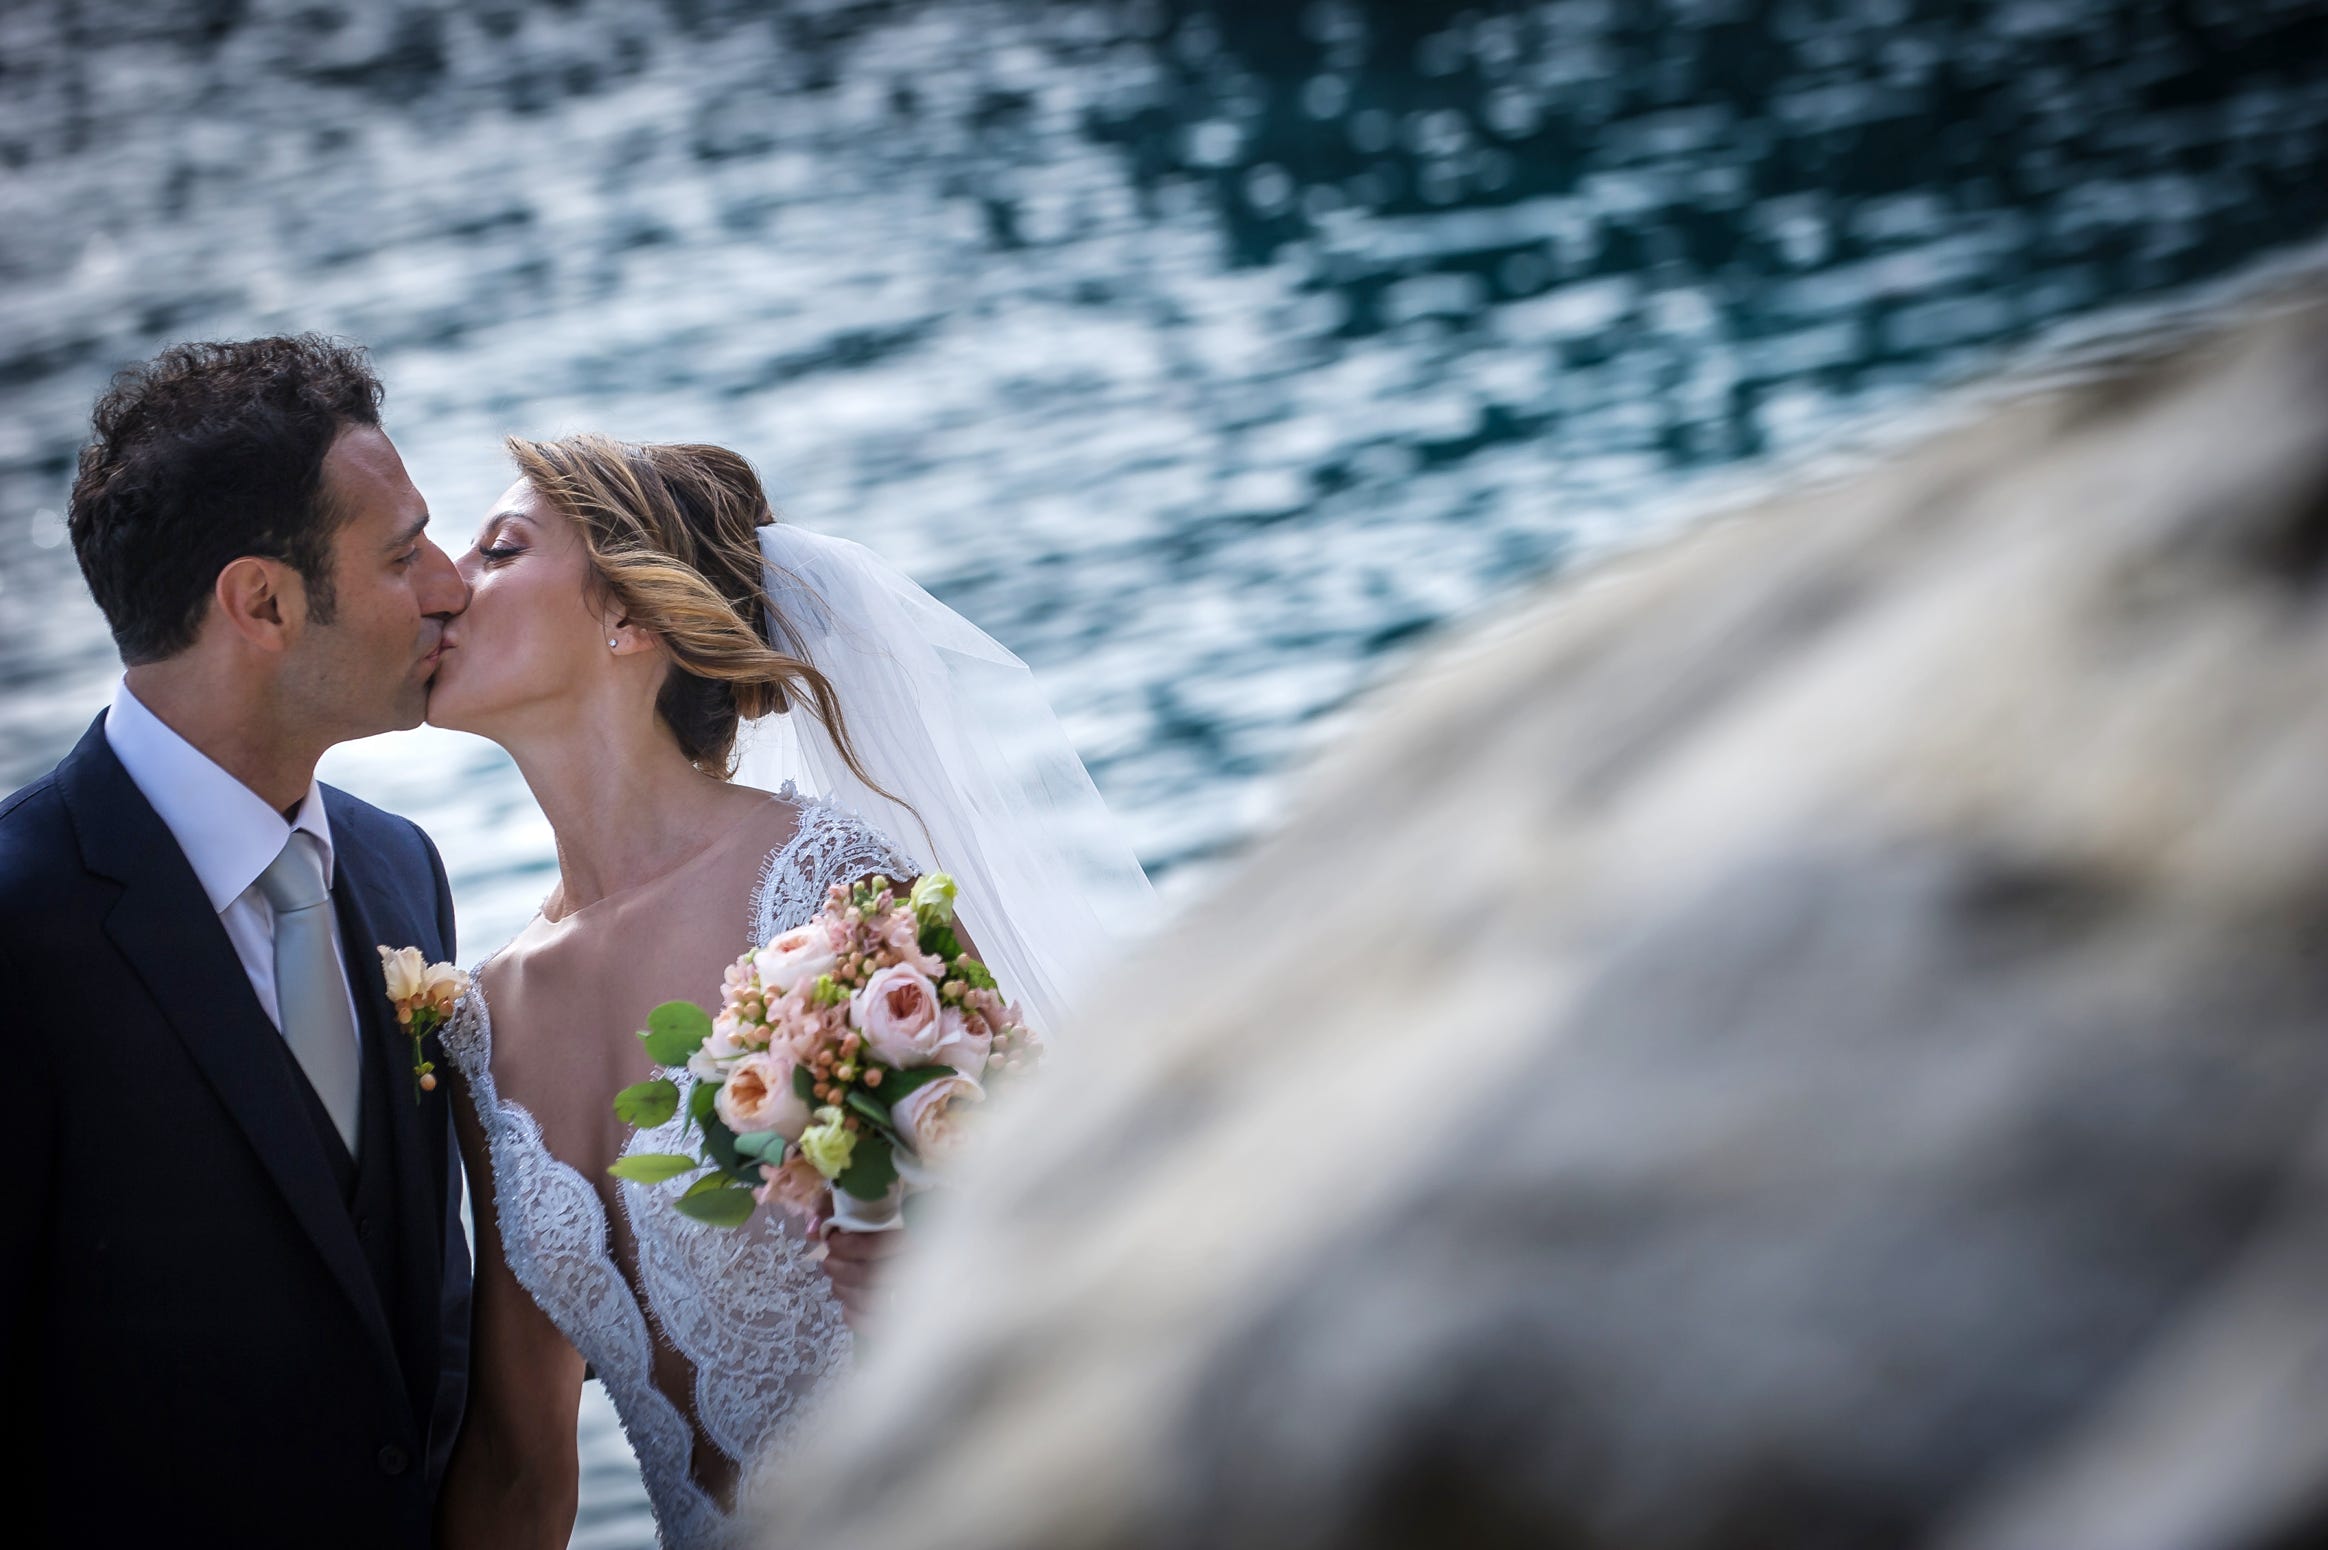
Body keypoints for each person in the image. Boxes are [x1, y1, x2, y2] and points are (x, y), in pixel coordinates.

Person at [424, 433, 1152, 1548]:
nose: (445, 581)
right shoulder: (484, 1018)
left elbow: (1047, 1234)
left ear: (629, 617)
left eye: (500, 550)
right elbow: (521, 1466)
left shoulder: (832, 894)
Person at [0, 335, 474, 1547]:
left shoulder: (399, 866)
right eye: (401, 551)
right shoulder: (19, 923)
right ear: (261, 600)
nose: (451, 583)